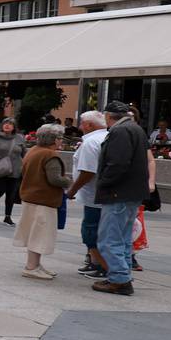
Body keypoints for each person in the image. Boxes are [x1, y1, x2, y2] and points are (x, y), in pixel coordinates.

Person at [92, 99, 150, 297]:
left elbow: (117, 163)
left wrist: (104, 183)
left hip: (118, 193)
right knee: (123, 238)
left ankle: (119, 279)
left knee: (109, 238)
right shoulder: (135, 129)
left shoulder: (120, 131)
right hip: (131, 193)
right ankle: (122, 274)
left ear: (108, 116)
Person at [14, 123, 70, 280]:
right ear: (53, 139)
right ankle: (31, 267)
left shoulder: (33, 151)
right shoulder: (50, 155)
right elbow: (55, 179)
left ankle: (35, 265)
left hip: (31, 197)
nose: (61, 140)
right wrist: (69, 181)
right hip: (43, 200)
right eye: (60, 137)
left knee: (35, 233)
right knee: (39, 235)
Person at [64, 110, 110, 280]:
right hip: (103, 194)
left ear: (90, 125)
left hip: (93, 196)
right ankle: (96, 263)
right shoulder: (105, 137)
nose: (80, 126)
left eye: (82, 123)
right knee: (99, 231)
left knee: (91, 232)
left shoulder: (91, 142)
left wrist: (72, 190)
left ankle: (104, 267)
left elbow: (87, 172)